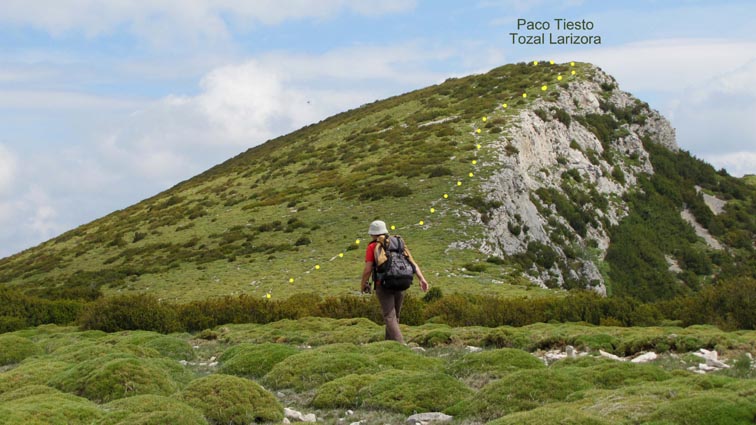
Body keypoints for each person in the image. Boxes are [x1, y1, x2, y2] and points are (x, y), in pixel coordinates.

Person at [360, 220, 429, 343]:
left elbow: (368, 269)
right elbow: (412, 262)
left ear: (373, 233)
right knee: (395, 316)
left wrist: (363, 283)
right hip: (402, 282)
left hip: (384, 284)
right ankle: (389, 344)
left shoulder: (372, 246)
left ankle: (401, 345)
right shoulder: (398, 243)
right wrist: (422, 279)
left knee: (389, 316)